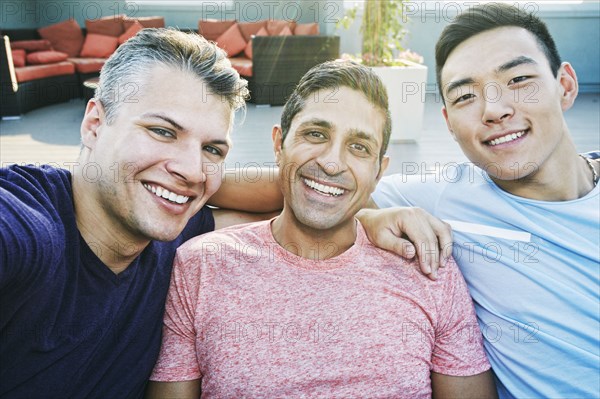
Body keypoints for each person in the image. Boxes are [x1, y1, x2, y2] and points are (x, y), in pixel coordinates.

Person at [146, 60, 497, 398]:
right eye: (315, 134)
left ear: (379, 171)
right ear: (278, 145)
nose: (331, 162)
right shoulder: (200, 266)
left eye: (359, 147)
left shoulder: (428, 269)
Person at [356, 4, 599, 398]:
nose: (495, 110)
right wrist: (367, 215)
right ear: (449, 122)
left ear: (565, 86)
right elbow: (313, 184)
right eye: (466, 96)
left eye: (519, 79)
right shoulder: (443, 197)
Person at [0, 28, 255, 398]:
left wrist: (367, 217)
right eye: (162, 131)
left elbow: (293, 206)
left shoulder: (178, 229)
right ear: (95, 125)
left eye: (212, 150)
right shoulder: (27, 226)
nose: (193, 169)